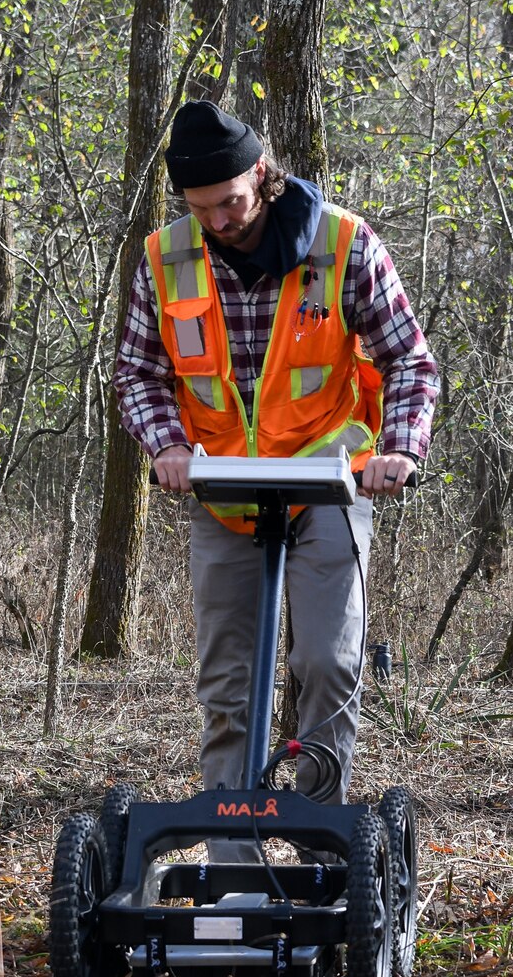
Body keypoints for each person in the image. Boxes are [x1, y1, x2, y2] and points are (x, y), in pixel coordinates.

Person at [113, 99, 439, 810]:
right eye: (202, 209)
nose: (220, 222)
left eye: (230, 202)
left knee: (326, 663)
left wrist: (399, 452)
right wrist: (166, 444)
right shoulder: (166, 261)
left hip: (329, 485)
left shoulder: (345, 245)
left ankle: (320, 834)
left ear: (262, 174)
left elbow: (411, 363)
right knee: (228, 682)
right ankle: (235, 847)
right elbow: (138, 373)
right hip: (225, 494)